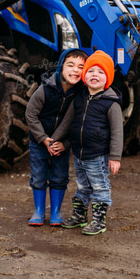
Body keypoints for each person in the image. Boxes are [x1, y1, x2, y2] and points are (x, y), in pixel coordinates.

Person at [51, 50, 122, 236]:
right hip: (79, 155)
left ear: (108, 77)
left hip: (97, 155)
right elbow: (67, 122)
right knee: (82, 186)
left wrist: (115, 157)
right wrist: (55, 140)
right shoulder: (80, 98)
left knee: (99, 186)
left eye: (100, 72)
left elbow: (117, 132)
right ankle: (80, 216)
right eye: (91, 71)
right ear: (84, 75)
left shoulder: (111, 103)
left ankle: (99, 221)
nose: (95, 75)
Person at [25, 48, 88, 226]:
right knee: (38, 176)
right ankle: (38, 211)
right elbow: (31, 115)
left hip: (62, 145)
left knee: (59, 177)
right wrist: (43, 138)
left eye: (81, 67)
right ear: (61, 66)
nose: (76, 70)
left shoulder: (80, 95)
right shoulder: (45, 90)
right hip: (39, 142)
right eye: (71, 65)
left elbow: (77, 125)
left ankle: (56, 212)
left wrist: (65, 143)